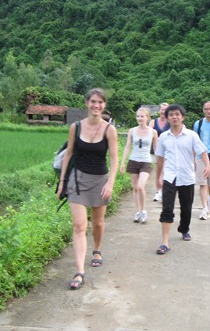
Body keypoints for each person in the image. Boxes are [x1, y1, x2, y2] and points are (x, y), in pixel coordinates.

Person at [57, 88, 118, 289]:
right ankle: (79, 272)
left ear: (104, 105)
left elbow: (115, 159)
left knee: (98, 223)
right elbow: (68, 155)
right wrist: (62, 183)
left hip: (100, 180)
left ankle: (97, 249)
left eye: (100, 102)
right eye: (93, 101)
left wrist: (110, 183)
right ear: (86, 103)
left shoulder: (109, 130)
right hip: (77, 180)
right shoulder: (76, 126)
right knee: (79, 226)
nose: (96, 106)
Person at [154, 104, 210, 255]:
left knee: (186, 208)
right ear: (167, 118)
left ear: (182, 117)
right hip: (169, 177)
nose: (174, 117)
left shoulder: (191, 135)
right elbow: (160, 159)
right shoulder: (164, 137)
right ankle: (165, 242)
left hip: (187, 177)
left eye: (177, 114)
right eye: (171, 115)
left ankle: (184, 229)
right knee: (167, 208)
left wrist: (207, 166)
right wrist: (158, 177)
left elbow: (202, 151)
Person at [120, 107, 158, 223]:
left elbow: (156, 149)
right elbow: (127, 147)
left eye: (142, 116)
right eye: (138, 116)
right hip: (133, 160)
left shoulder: (153, 132)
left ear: (147, 118)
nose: (139, 118)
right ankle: (138, 211)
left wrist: (160, 164)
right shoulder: (132, 130)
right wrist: (122, 162)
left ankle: (143, 211)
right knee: (135, 188)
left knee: (141, 186)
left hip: (146, 161)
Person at [149, 102, 170, 202]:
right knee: (158, 171)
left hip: (168, 151)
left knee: (165, 171)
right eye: (162, 109)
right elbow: (148, 135)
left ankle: (163, 191)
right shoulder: (153, 122)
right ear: (159, 110)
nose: (163, 111)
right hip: (156, 151)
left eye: (166, 109)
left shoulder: (171, 122)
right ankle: (158, 191)